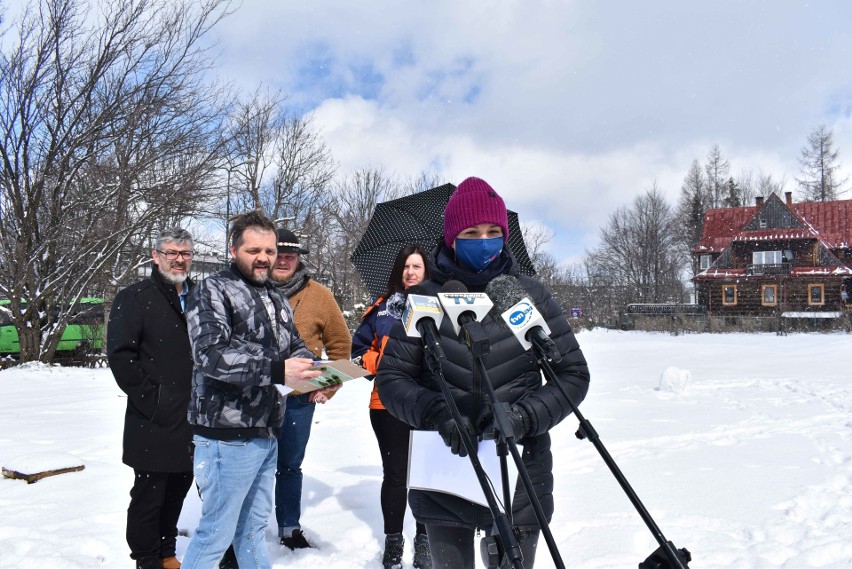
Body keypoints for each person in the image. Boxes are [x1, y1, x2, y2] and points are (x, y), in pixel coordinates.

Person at [375, 177, 591, 569]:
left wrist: (524, 416)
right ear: (452, 237)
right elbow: (393, 381)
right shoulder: (423, 298)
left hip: (520, 469)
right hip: (445, 467)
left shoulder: (527, 294)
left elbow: (572, 374)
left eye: (494, 232)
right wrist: (438, 413)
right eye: (472, 232)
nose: (484, 240)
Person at [181, 210, 330, 569]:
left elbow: (293, 344)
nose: (264, 258)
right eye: (254, 250)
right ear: (234, 250)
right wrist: (278, 369)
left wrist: (315, 375)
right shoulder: (212, 289)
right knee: (217, 532)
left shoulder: (274, 296)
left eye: (269, 250)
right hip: (224, 433)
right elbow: (210, 355)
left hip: (264, 429)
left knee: (251, 529)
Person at [107, 227, 196, 569]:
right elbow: (120, 355)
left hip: (194, 413)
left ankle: (166, 550)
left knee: (179, 485)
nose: (179, 259)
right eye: (171, 252)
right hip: (154, 417)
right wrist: (154, 399)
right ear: (156, 256)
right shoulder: (136, 296)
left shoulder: (201, 295)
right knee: (149, 493)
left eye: (185, 253)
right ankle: (146, 557)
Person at [351, 245, 433, 569]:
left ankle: (424, 539)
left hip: (429, 405)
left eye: (417, 266)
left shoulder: (440, 308)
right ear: (398, 271)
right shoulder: (381, 311)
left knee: (426, 476)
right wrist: (385, 361)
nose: (411, 272)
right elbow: (357, 357)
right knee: (396, 476)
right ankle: (393, 542)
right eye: (406, 267)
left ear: (427, 272)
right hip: (386, 404)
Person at [270, 227, 352, 549]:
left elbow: (341, 345)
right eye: (279, 253)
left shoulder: (320, 295)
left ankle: (289, 527)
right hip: (253, 397)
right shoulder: (251, 291)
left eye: (291, 254)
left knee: (289, 464)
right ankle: (243, 529)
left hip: (298, 400)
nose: (285, 260)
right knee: (248, 466)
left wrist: (327, 386)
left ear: (299, 259)